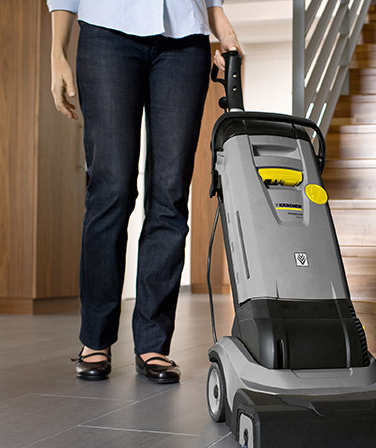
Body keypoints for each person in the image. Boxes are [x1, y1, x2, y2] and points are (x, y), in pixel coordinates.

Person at [48, 0, 241, 382]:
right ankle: (96, 339)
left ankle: (153, 342)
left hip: (185, 42)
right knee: (111, 190)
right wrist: (58, 52)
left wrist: (225, 32)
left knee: (170, 194)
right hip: (107, 36)